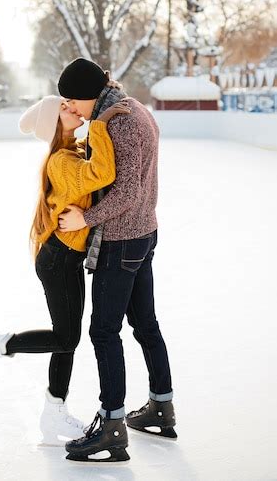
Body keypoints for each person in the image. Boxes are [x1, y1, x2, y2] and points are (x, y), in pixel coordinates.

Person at [0, 94, 131, 446]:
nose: (73, 109)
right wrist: (100, 123)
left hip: (65, 258)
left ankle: (53, 414)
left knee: (66, 338)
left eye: (71, 105)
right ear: (54, 124)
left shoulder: (70, 151)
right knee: (66, 338)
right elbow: (103, 173)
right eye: (65, 109)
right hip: (58, 260)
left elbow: (93, 163)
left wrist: (95, 129)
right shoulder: (62, 161)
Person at [56, 58, 176, 464]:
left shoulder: (118, 122)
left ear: (89, 94)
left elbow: (124, 191)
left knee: (104, 332)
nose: (72, 107)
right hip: (144, 232)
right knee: (145, 323)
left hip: (123, 239)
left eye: (73, 100)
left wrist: (83, 218)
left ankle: (111, 425)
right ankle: (162, 405)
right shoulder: (132, 107)